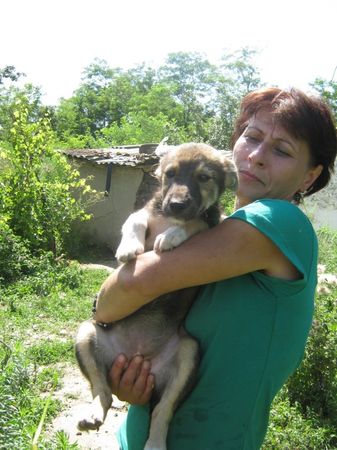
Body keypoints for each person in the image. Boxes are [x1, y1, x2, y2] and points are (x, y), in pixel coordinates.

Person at [95, 87, 337, 450]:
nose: (255, 157)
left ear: (309, 176)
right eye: (251, 137)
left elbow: (123, 293)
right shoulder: (216, 230)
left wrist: (103, 311)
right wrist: (134, 377)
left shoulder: (279, 220)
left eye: (282, 150)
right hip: (144, 437)